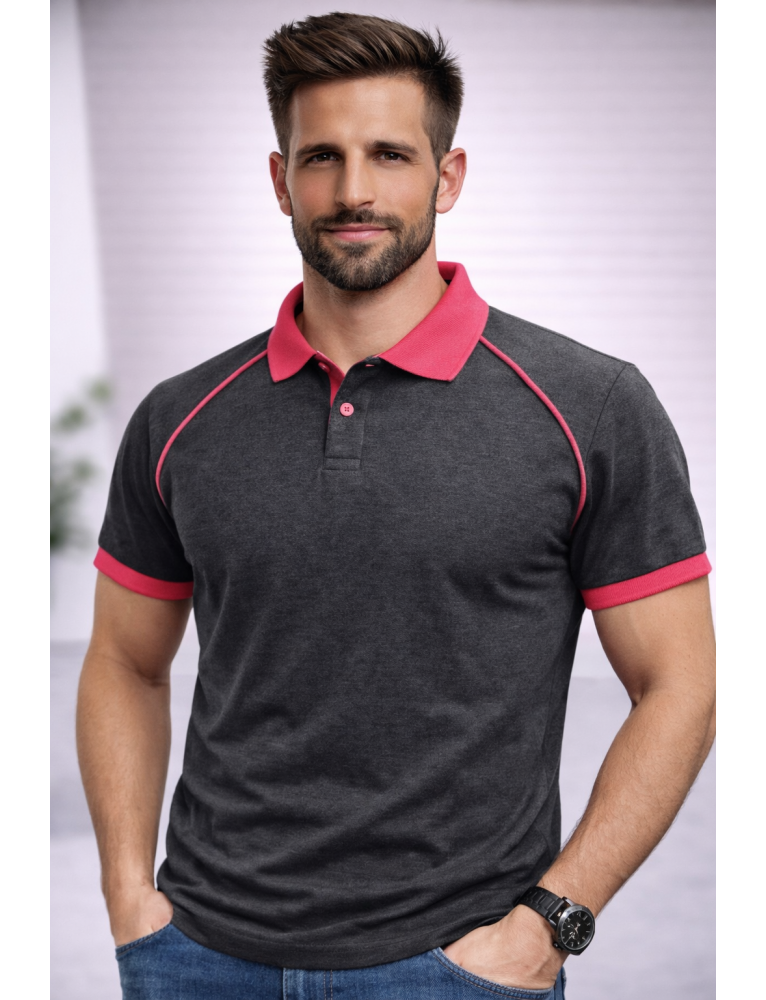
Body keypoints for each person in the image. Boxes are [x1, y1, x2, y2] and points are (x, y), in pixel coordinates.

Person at [77, 12, 715, 1000]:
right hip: (198, 953)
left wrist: (549, 923)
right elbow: (125, 660)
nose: (354, 191)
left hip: (458, 966)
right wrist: (129, 897)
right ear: (280, 180)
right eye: (321, 157)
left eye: (389, 154)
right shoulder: (181, 417)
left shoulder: (588, 406)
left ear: (447, 176)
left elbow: (679, 685)